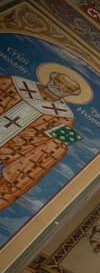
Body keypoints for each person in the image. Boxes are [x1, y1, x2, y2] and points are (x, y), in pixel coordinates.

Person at [0, 68, 83, 211]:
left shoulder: (65, 117)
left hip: (9, 151)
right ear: (52, 77)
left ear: (71, 94)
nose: (60, 87)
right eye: (59, 82)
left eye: (67, 88)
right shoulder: (13, 83)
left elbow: (58, 147)